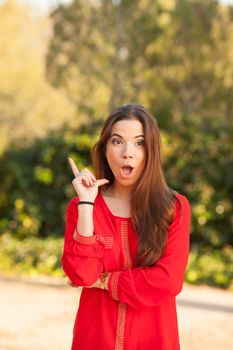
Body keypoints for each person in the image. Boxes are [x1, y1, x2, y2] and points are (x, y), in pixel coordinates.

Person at [62, 103, 191, 350]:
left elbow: (168, 280)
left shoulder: (174, 208)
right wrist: (87, 203)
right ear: (105, 149)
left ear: (151, 150)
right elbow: (81, 274)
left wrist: (105, 281)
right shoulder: (82, 207)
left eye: (139, 143)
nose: (127, 153)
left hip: (155, 340)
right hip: (94, 339)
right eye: (117, 141)